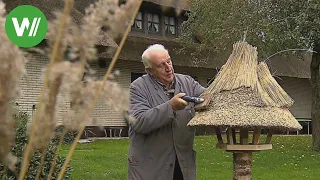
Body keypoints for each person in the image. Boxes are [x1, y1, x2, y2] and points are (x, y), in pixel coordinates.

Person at [127, 44, 205, 180]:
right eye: (161, 65)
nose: (168, 68)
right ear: (149, 70)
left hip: (182, 165)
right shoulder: (137, 88)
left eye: (169, 61)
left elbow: (209, 97)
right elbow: (138, 122)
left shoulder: (188, 82)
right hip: (150, 167)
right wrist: (171, 107)